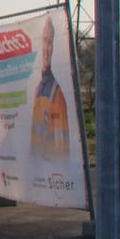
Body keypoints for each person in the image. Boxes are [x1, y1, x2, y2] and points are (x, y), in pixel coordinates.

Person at [29, 14, 72, 162]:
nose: (46, 49)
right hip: (37, 173)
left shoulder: (56, 94)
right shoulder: (38, 89)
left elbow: (61, 153)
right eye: (44, 41)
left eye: (50, 42)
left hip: (49, 173)